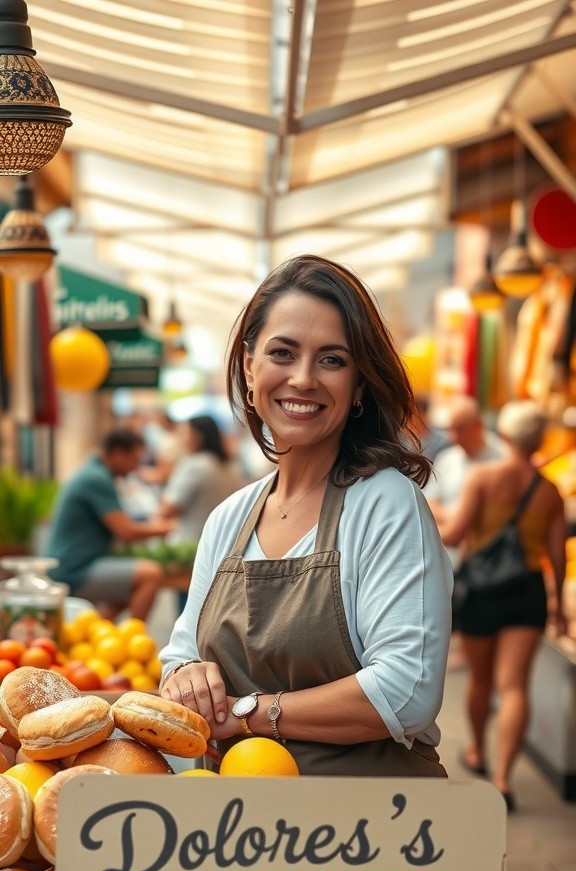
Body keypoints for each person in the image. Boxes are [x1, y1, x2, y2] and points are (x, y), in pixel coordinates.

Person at [159, 254, 453, 777]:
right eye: (282, 352)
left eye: (332, 360)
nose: (302, 378)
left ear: (359, 386)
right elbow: (179, 655)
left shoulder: (385, 504)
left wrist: (251, 714)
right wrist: (185, 676)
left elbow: (406, 690)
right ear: (249, 367)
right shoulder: (229, 519)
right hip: (233, 827)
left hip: (366, 833)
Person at [438, 400, 567, 811]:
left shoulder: (483, 477)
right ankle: (503, 778)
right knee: (515, 687)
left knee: (480, 681)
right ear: (539, 440)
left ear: (506, 436)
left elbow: (455, 537)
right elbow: (557, 556)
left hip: (481, 591)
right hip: (527, 592)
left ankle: (477, 750)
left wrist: (432, 510)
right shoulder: (550, 492)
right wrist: (560, 606)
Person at [44, 427, 178, 621]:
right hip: (74, 569)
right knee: (152, 574)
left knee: (128, 587)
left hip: (83, 563)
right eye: (134, 460)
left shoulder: (95, 471)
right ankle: (132, 639)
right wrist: (167, 527)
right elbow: (125, 531)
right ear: (117, 454)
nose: (136, 467)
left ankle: (101, 636)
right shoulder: (96, 478)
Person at [157, 414, 245, 612]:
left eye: (185, 433)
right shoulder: (230, 467)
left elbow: (167, 509)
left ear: (197, 436)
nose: (182, 439)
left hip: (189, 551)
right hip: (225, 550)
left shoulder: (195, 465)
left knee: (188, 612)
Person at [424, 395, 503, 567]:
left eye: (460, 429)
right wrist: (454, 517)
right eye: (451, 429)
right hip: (448, 559)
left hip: (488, 560)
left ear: (478, 426)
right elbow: (430, 501)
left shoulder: (502, 458)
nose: (454, 436)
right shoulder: (447, 458)